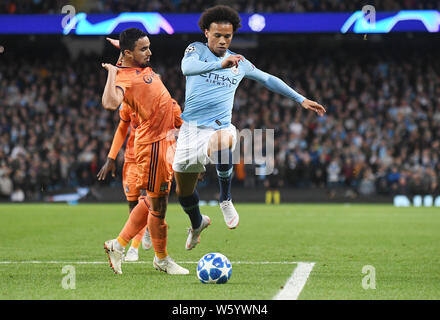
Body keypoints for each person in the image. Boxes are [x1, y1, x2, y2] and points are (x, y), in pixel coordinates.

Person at [172, 5, 326, 250]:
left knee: (223, 141)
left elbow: (267, 79)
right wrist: (220, 65)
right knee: (183, 193)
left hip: (220, 127)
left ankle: (225, 198)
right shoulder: (196, 50)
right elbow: (186, 69)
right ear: (205, 33)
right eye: (217, 35)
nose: (223, 41)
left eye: (228, 36)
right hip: (190, 130)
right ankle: (197, 223)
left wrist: (300, 99)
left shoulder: (240, 62)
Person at [101, 28, 186, 275]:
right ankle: (156, 257)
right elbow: (109, 103)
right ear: (128, 54)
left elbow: (129, 50)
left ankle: (122, 246)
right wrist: (113, 73)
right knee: (157, 206)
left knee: (154, 202)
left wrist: (120, 46)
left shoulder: (135, 61)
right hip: (152, 145)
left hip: (165, 141)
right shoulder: (124, 78)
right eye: (144, 49)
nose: (149, 52)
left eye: (148, 46)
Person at [97, 101, 152, 262]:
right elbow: (122, 128)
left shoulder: (161, 102)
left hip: (150, 156)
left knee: (145, 199)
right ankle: (149, 224)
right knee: (133, 206)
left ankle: (134, 248)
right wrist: (111, 157)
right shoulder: (129, 102)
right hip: (131, 157)